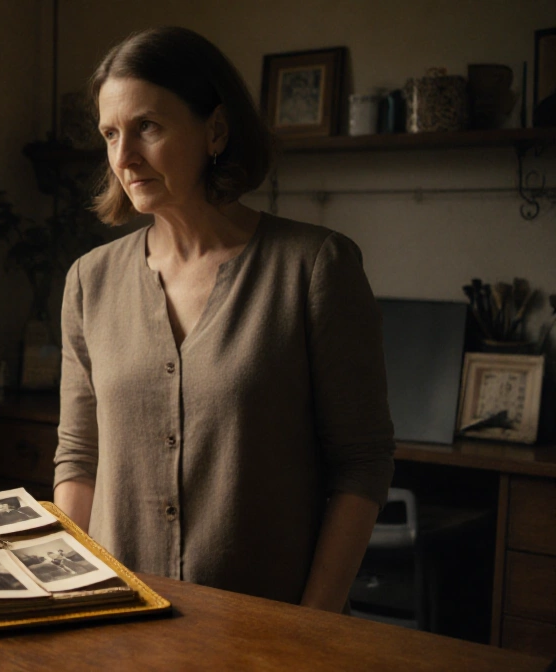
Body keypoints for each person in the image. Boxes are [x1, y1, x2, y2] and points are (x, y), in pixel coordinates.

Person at [52, 27, 394, 614]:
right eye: (111, 134)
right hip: (116, 626)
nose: (124, 157)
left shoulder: (313, 267)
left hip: (263, 631)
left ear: (215, 130)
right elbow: (79, 459)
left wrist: (313, 625)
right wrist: (60, 600)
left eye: (148, 128)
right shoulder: (91, 280)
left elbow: (362, 463)